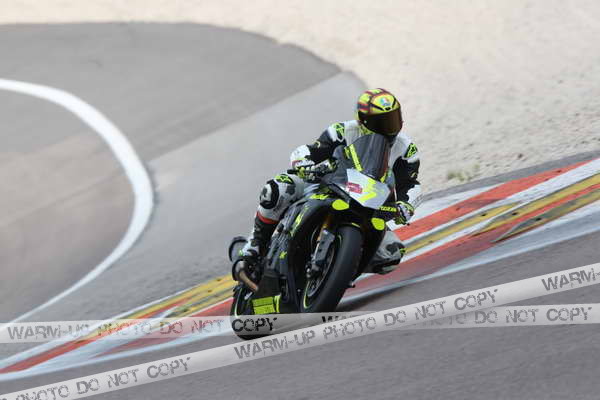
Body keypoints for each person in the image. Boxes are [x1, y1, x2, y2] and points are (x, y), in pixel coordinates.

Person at [234, 88, 422, 283]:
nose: (388, 128)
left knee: (391, 255)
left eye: (392, 120)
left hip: (368, 206)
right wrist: (304, 162)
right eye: (380, 122)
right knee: (277, 189)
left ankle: (336, 271)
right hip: (327, 186)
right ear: (362, 120)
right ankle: (254, 245)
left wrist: (406, 205)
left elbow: (410, 184)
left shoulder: (406, 150)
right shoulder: (342, 131)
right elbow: (312, 150)